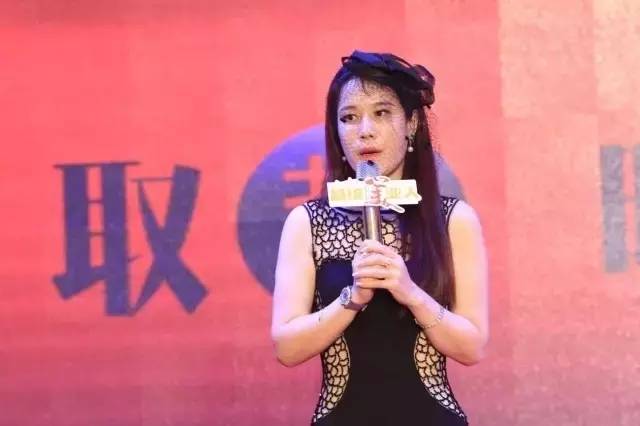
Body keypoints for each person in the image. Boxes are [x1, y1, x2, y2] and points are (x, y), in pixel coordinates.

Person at [271, 50, 489, 425]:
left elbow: (471, 347)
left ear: (412, 123)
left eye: (382, 113)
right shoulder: (308, 223)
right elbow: (287, 348)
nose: (365, 130)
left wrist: (411, 293)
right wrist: (353, 298)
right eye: (349, 117)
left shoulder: (453, 220)